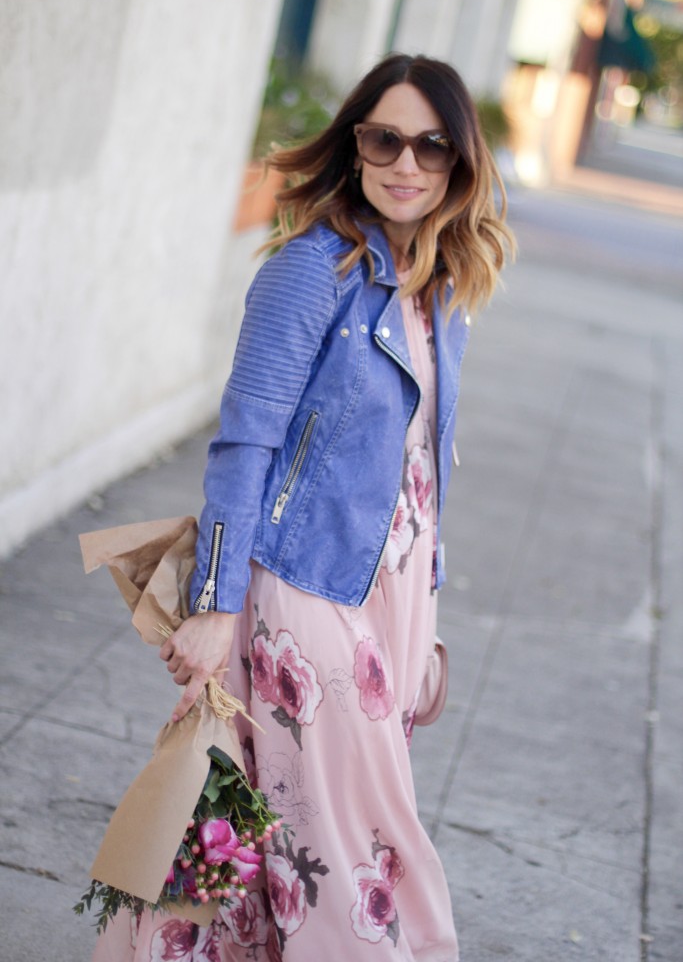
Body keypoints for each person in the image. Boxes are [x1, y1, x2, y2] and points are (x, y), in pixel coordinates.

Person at [94, 53, 514, 961]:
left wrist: (426, 612)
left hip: (387, 600)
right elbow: (244, 443)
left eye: (431, 145)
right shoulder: (309, 272)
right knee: (358, 853)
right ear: (356, 146)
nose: (406, 163)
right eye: (384, 139)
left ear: (460, 163)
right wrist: (215, 604)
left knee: (241, 828)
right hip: (300, 593)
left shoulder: (440, 293)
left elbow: (421, 473)